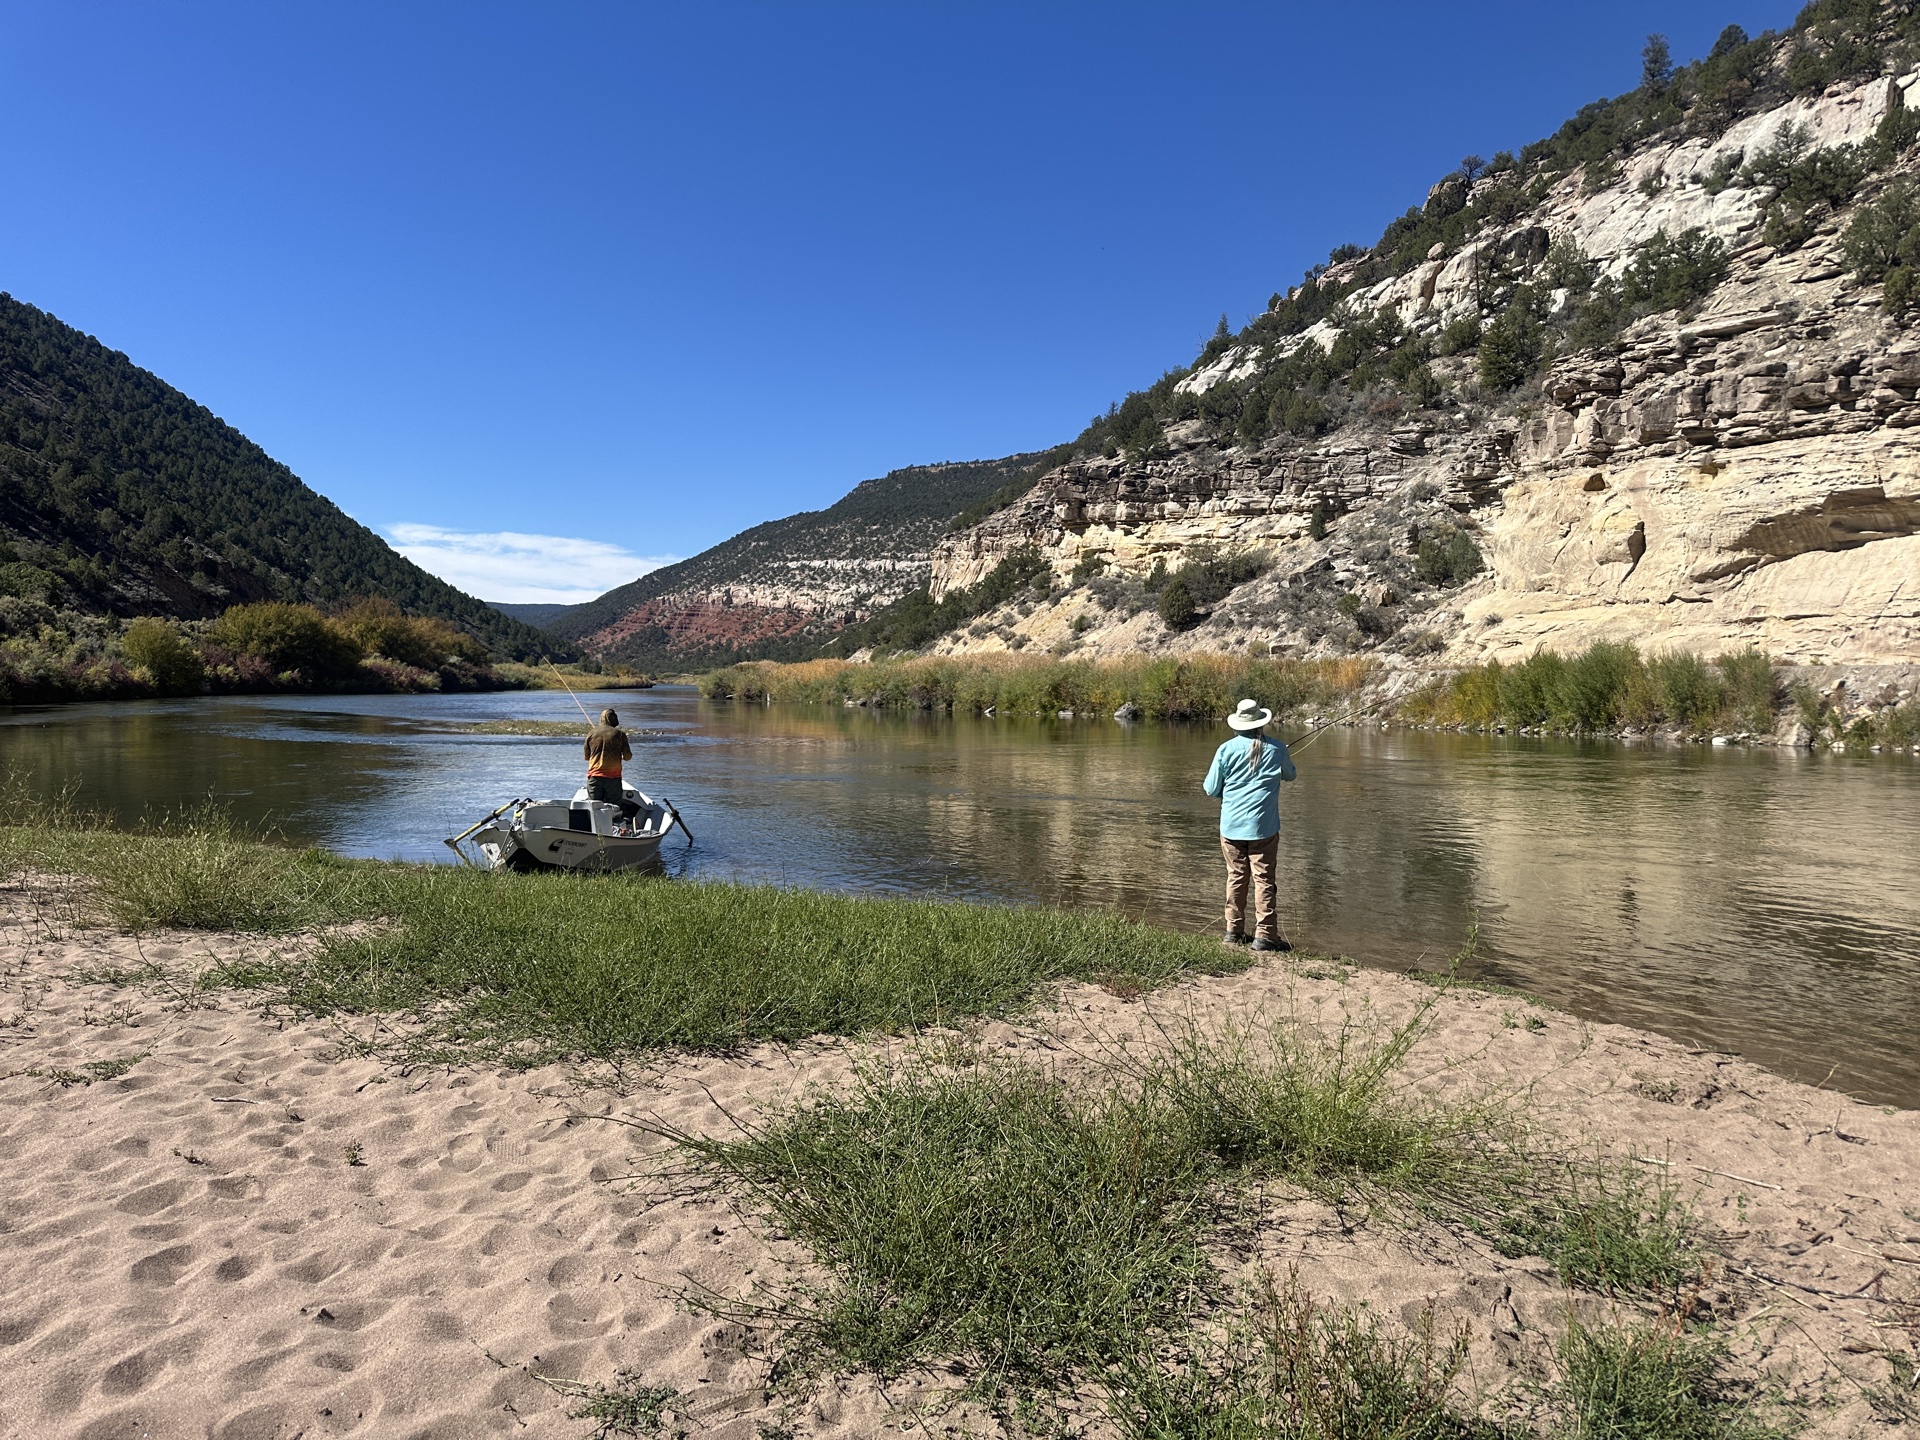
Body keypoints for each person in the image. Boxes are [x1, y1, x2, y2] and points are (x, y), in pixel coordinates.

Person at [1203, 697, 1297, 951]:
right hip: (1263, 828)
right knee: (1264, 879)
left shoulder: (1225, 749)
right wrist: (1280, 754)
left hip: (1231, 827)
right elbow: (1291, 775)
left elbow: (1211, 789)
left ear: (1238, 724)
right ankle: (1265, 935)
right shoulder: (1277, 748)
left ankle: (1233, 931)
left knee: (1236, 876)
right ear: (1260, 723)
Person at [583, 708, 636, 818]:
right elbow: (628, 757)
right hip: (613, 779)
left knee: (593, 810)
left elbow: (586, 757)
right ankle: (613, 830)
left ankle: (596, 832)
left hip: (594, 777)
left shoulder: (591, 734)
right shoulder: (620, 735)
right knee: (614, 809)